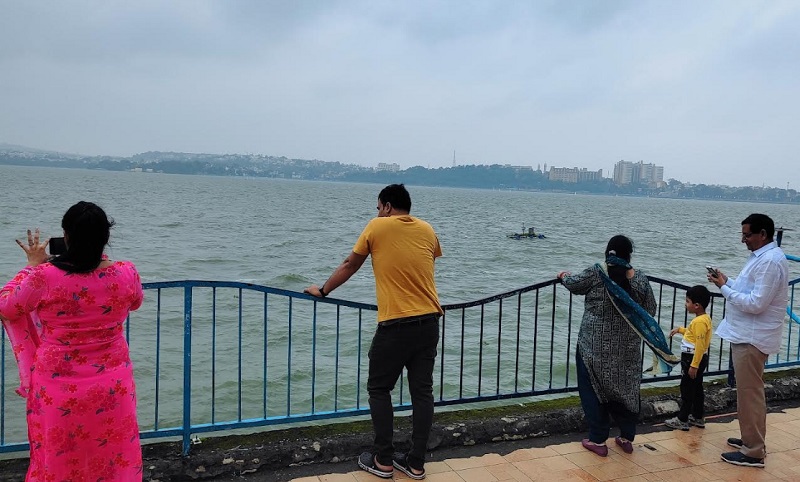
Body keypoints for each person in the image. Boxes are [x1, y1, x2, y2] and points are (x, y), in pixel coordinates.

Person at [304, 184, 442, 480]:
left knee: (379, 389)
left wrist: (323, 290)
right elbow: (424, 264)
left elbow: (351, 264)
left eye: (378, 207)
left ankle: (383, 460)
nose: (377, 212)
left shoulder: (377, 226)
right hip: (430, 321)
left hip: (395, 324)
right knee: (423, 393)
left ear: (388, 207)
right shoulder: (427, 229)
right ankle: (416, 463)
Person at [0, 202, 144, 481]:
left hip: (58, 387)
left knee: (60, 455)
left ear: (66, 237)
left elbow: (6, 306)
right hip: (112, 384)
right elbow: (136, 302)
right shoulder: (127, 273)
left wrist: (30, 266)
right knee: (113, 452)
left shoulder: (43, 277)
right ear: (106, 238)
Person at [557, 235, 662, 457]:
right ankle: (626, 437)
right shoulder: (640, 279)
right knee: (627, 389)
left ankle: (597, 440)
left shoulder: (597, 272)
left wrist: (562, 275)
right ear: (629, 255)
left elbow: (573, 284)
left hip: (593, 346)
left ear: (608, 252)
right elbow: (650, 310)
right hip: (628, 348)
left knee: (593, 389)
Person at [709, 213, 788, 468]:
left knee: (750, 393)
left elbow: (756, 303)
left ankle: (753, 451)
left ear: (762, 234)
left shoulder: (770, 262)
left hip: (753, 337)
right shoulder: (762, 258)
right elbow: (747, 291)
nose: (743, 240)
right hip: (746, 333)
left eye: (747, 235)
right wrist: (726, 281)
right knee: (747, 393)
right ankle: (749, 439)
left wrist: (723, 289)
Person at [664, 285, 713, 431]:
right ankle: (698, 416)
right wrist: (680, 330)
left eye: (687, 301)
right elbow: (694, 335)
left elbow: (699, 344)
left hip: (692, 358)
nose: (686, 304)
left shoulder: (698, 322)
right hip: (698, 358)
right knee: (697, 388)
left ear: (696, 305)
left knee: (687, 389)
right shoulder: (704, 319)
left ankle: (682, 418)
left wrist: (694, 365)